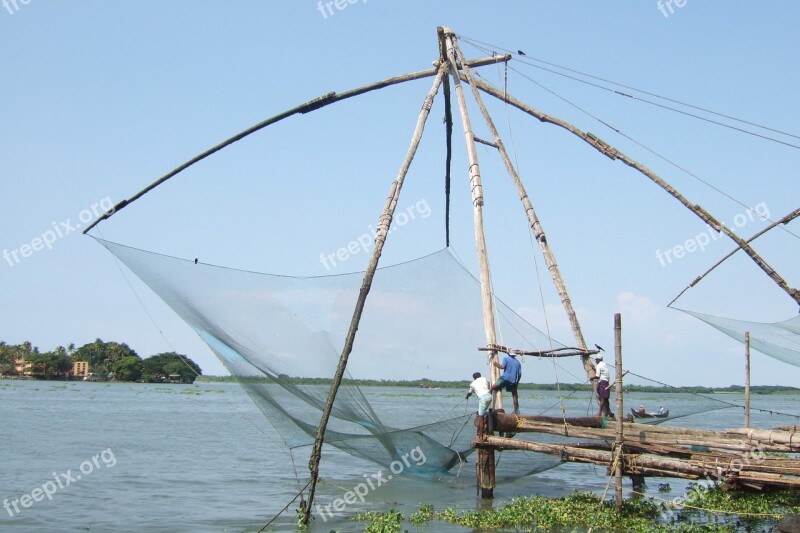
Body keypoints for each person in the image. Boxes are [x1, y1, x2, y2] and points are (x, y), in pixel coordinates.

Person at [488, 350, 522, 414]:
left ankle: (486, 398)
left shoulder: (506, 358)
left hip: (505, 378)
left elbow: (502, 367)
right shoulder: (518, 363)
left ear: (509, 354)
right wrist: (517, 382)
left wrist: (496, 364)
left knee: (492, 387)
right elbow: (519, 374)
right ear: (514, 355)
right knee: (514, 395)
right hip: (513, 380)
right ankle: (516, 410)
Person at [466, 372, 492, 436]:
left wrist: (467, 397)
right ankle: (485, 429)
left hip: (483, 399)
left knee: (481, 418)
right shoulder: (484, 379)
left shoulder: (472, 384)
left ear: (474, 378)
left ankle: (481, 437)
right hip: (489, 397)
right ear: (480, 376)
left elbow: (470, 393)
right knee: (482, 413)